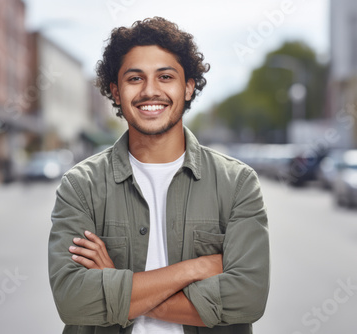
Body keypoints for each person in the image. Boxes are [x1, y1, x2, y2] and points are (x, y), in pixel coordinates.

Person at [49, 17, 269, 334]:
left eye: (165, 77)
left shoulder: (237, 183)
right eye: (135, 78)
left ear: (189, 86)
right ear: (115, 90)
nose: (150, 91)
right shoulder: (81, 186)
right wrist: (194, 269)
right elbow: (73, 301)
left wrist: (116, 285)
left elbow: (247, 300)